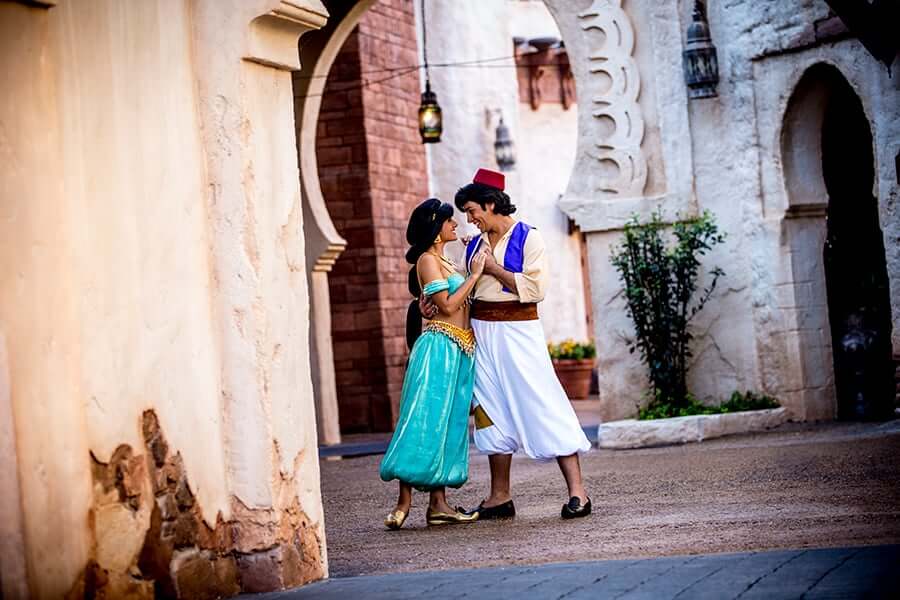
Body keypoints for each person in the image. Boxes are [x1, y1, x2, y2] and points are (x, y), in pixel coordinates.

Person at [426, 168, 592, 520]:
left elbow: (535, 289)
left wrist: (492, 269)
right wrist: (434, 303)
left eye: (472, 210)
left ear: (490, 203)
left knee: (542, 400)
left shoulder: (529, 238)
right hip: (482, 334)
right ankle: (499, 496)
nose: (468, 219)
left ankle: (578, 492)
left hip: (519, 333)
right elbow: (458, 291)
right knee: (490, 410)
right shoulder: (472, 244)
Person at [379, 198, 488, 529]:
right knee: (423, 421)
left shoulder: (446, 261)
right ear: (435, 228)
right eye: (450, 221)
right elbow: (448, 303)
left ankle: (439, 506)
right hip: (438, 349)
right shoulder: (427, 260)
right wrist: (475, 275)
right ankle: (404, 502)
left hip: (459, 352)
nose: (456, 225)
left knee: (449, 427)